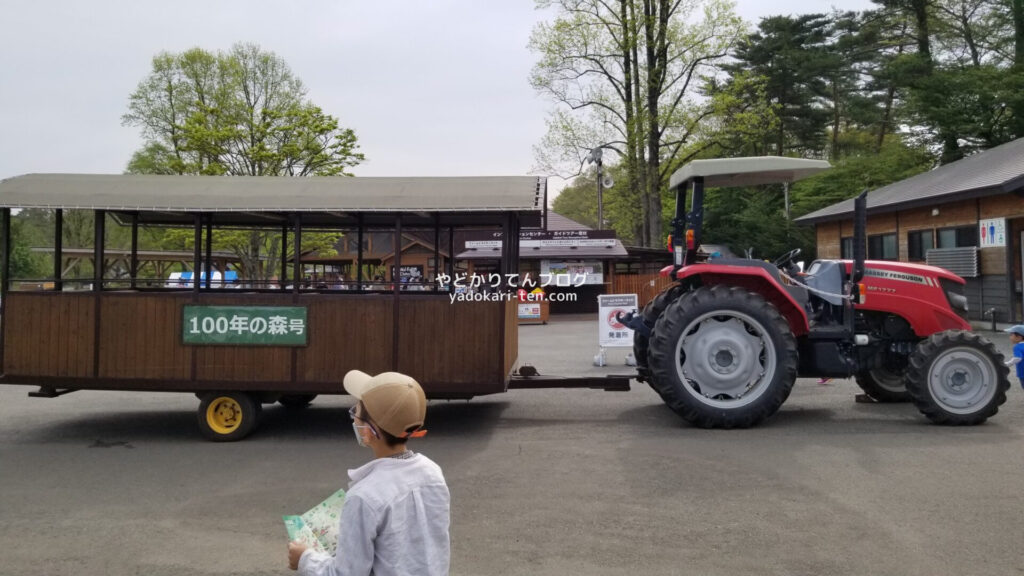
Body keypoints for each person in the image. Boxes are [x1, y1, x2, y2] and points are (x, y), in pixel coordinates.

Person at [287, 370, 450, 576]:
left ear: (370, 430)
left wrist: (304, 558)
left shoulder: (364, 497)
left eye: (357, 409)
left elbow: (346, 573)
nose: (354, 416)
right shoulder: (432, 473)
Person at [1004, 325, 1024, 390]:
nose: (1010, 337)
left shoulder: (1017, 347)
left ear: (1019, 337)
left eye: (1011, 335)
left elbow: (1018, 358)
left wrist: (1007, 364)